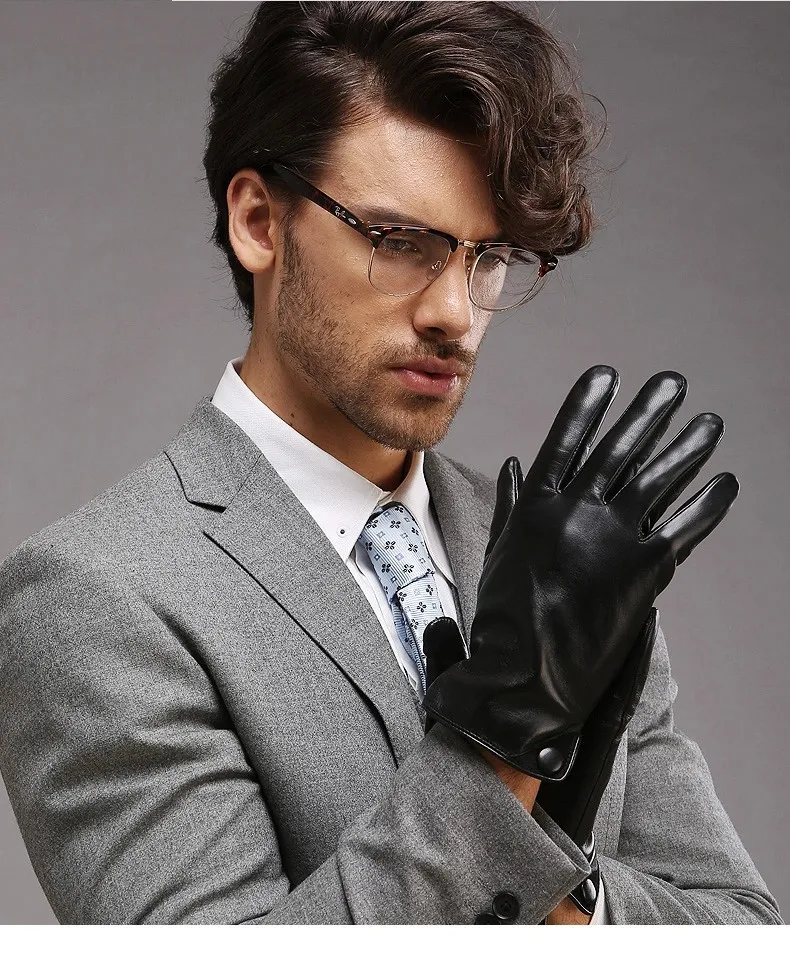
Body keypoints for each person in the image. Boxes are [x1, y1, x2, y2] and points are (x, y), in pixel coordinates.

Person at [0, 1, 781, 925]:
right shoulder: (94, 597)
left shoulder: (556, 560)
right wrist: (498, 750)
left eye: (490, 256)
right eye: (401, 242)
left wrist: (574, 900)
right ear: (259, 221)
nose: (457, 312)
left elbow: (744, 924)